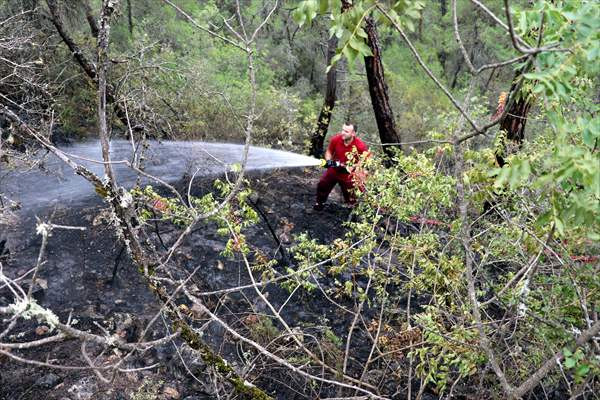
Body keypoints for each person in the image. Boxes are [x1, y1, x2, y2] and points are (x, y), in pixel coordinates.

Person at [314, 123, 369, 210]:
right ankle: (319, 204)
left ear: (353, 133)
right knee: (323, 183)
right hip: (334, 169)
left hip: (349, 174)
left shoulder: (360, 146)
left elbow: (365, 160)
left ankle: (353, 212)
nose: (343, 133)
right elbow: (329, 151)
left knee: (352, 195)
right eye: (342, 130)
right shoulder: (336, 139)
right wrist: (328, 161)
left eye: (346, 131)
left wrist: (355, 167)